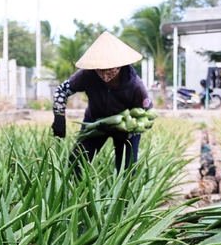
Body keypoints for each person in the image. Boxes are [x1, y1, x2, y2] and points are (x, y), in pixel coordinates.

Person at [51, 32, 153, 174]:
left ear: (120, 65)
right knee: (77, 163)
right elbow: (62, 91)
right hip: (95, 121)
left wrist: (126, 129)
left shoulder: (135, 86)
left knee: (127, 170)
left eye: (110, 70)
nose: (105, 76)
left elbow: (148, 117)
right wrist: (59, 117)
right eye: (101, 70)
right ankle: (72, 193)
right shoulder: (87, 75)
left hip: (125, 127)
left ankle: (124, 195)